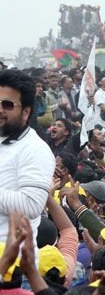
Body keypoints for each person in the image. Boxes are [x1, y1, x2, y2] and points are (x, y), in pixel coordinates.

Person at [0, 70, 55, 259]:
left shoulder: (35, 149)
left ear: (26, 111)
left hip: (13, 270)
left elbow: (32, 205)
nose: (0, 109)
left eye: (7, 105)